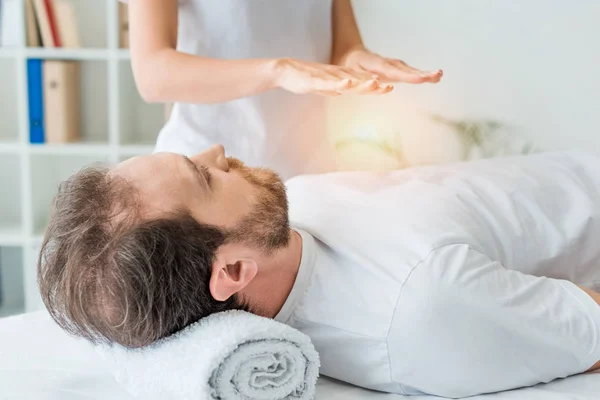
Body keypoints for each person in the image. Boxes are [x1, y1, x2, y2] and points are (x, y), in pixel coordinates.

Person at [38, 145, 600, 398]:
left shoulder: (282, 214)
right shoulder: (421, 310)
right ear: (233, 269)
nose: (218, 150)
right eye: (204, 177)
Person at [123, 0, 442, 179]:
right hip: (208, 179)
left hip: (310, 176)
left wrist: (360, 60)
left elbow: (344, 46)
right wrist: (277, 71)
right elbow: (153, 74)